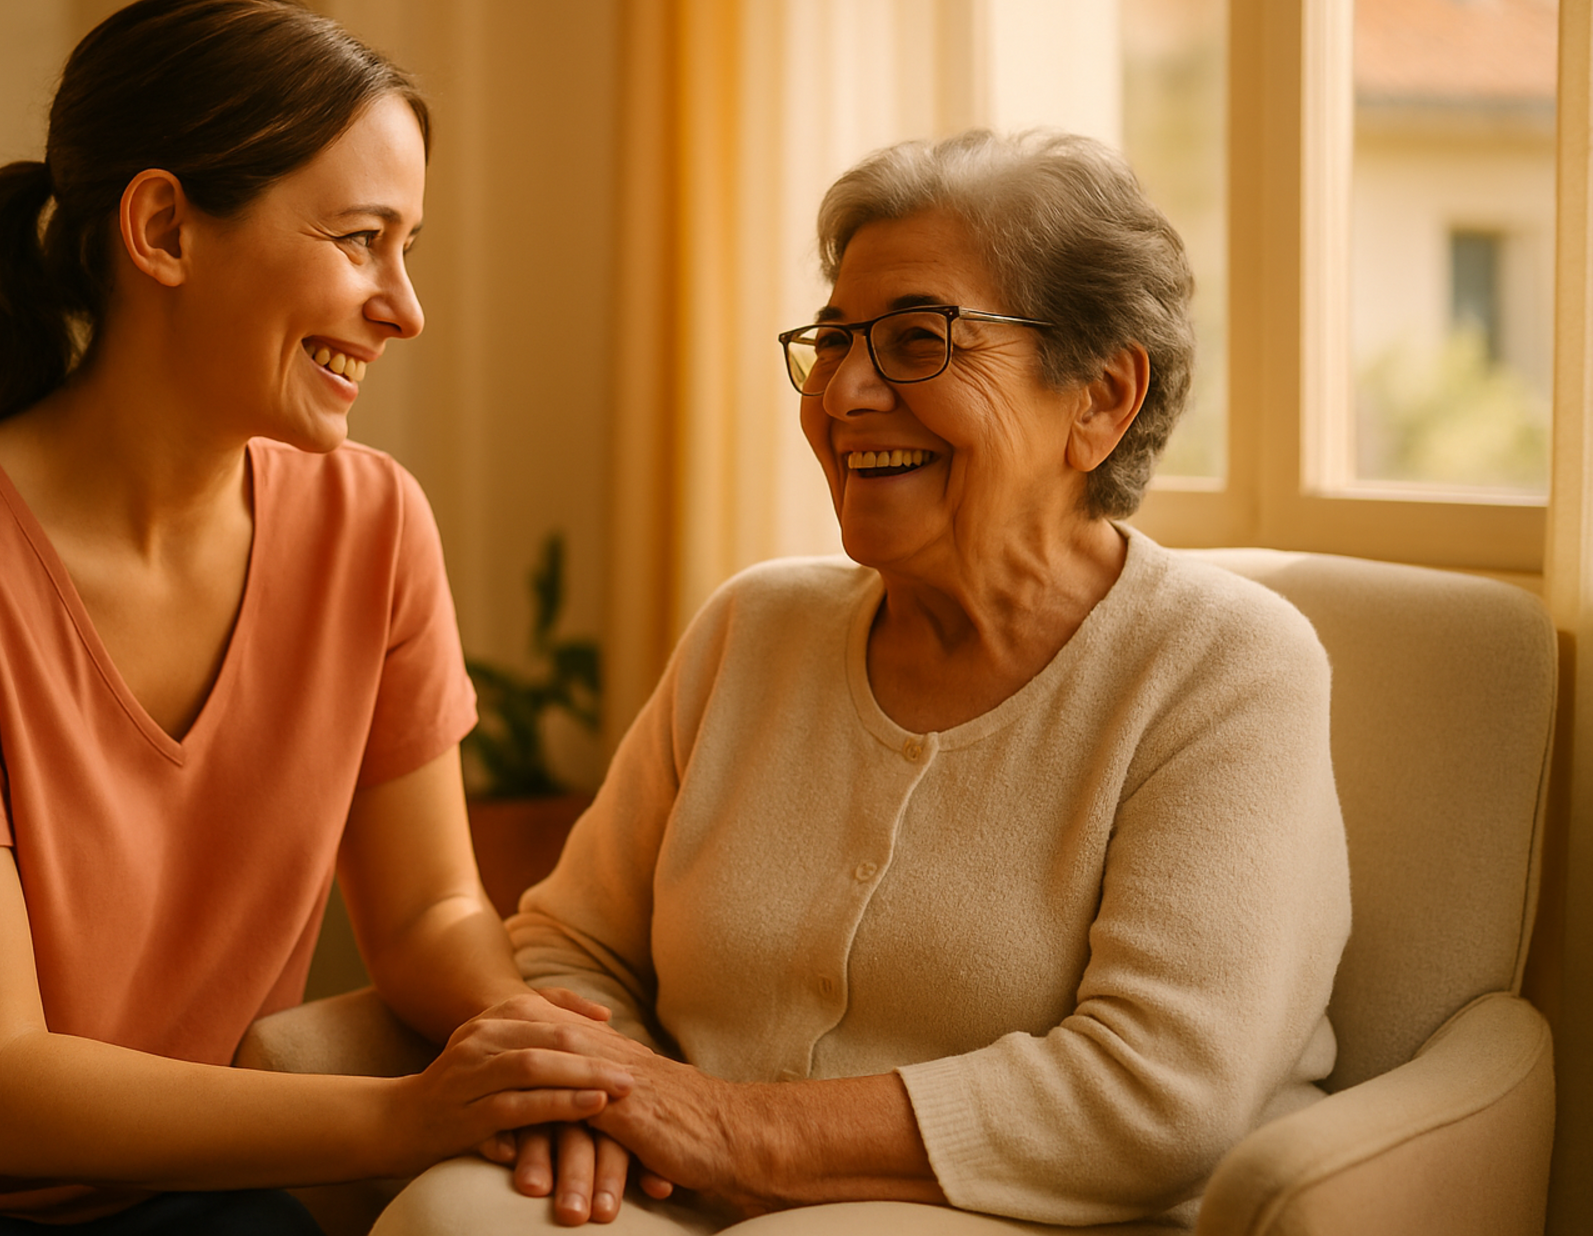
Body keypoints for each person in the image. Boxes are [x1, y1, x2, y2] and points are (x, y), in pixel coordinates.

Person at [0, 0, 635, 1236]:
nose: (405, 307)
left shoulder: (375, 522)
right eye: (362, 238)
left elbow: (427, 911)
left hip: (179, 1183)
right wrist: (410, 1112)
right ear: (163, 228)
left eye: (409, 247)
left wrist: (532, 1048)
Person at [367, 130, 1353, 1234]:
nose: (845, 392)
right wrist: (606, 1098)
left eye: (918, 342)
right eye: (833, 342)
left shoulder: (1224, 664)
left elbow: (1158, 1085)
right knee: (448, 1215)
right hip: (675, 1182)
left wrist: (732, 1129)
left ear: (1101, 397)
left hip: (1049, 1214)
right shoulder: (755, 626)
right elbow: (571, 938)